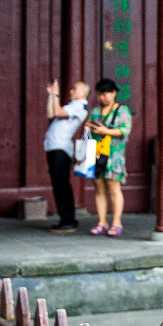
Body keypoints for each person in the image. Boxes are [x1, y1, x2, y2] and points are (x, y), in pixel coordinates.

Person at [85, 78, 132, 237]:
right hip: (97, 153)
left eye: (105, 94)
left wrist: (105, 131)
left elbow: (124, 130)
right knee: (98, 188)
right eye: (99, 95)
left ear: (114, 93)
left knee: (114, 189)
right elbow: (91, 128)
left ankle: (117, 223)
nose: (102, 98)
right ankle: (101, 222)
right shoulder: (96, 111)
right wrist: (89, 127)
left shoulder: (122, 110)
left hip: (114, 156)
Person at [43, 78, 90, 234]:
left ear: (83, 92)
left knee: (62, 185)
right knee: (59, 185)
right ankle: (66, 219)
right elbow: (51, 113)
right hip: (54, 147)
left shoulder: (80, 107)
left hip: (61, 149)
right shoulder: (72, 105)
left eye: (74, 88)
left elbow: (57, 111)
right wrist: (52, 95)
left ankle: (69, 220)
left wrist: (56, 95)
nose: (70, 91)